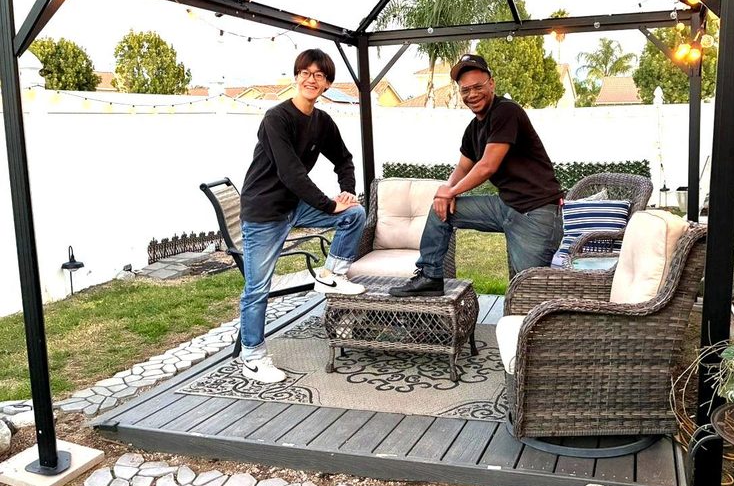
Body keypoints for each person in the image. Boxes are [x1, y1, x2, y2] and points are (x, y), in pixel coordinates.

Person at [238, 48, 366, 383]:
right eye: (305, 73)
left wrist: (347, 192)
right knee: (257, 289)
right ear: (296, 76)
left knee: (354, 214)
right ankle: (252, 356)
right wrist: (327, 204)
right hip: (265, 210)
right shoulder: (275, 119)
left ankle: (332, 274)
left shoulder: (321, 121)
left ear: (326, 85)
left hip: (296, 203)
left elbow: (344, 159)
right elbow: (290, 173)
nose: (311, 80)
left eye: (319, 75)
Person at [390, 54, 564, 297]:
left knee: (527, 292)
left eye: (478, 87)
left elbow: (487, 166)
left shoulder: (507, 112)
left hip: (535, 211)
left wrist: (450, 191)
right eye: (465, 90)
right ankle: (430, 276)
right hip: (506, 206)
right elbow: (463, 167)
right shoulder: (473, 129)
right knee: (440, 211)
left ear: (491, 84)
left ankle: (537, 331)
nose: (472, 94)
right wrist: (445, 192)